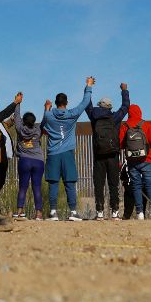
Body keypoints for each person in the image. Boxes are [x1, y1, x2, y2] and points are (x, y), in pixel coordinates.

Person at [42, 77, 94, 221]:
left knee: (53, 183)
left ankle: (53, 212)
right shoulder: (72, 114)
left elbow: (44, 122)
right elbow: (85, 102)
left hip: (53, 154)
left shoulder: (49, 115)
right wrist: (88, 86)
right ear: (66, 103)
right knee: (69, 182)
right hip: (67, 154)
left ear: (56, 103)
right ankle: (73, 212)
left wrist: (46, 108)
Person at [85, 83, 130, 220]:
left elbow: (87, 104)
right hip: (113, 154)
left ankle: (99, 212)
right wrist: (124, 90)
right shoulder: (114, 117)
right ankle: (115, 212)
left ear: (100, 105)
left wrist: (88, 87)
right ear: (109, 107)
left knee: (99, 184)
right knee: (113, 184)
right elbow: (125, 106)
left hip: (99, 155)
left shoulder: (94, 115)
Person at [118, 103, 151, 219]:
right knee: (149, 186)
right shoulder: (146, 125)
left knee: (136, 186)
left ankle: (139, 213)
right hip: (146, 159)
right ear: (140, 112)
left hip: (132, 161)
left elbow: (121, 144)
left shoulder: (125, 126)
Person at [11, 100, 45, 220]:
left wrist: (18, 103)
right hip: (38, 161)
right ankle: (39, 214)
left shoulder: (20, 129)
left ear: (24, 121)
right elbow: (45, 120)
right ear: (34, 121)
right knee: (36, 187)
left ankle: (20, 212)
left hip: (25, 160)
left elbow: (17, 117)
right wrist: (46, 109)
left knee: (23, 187)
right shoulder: (38, 130)